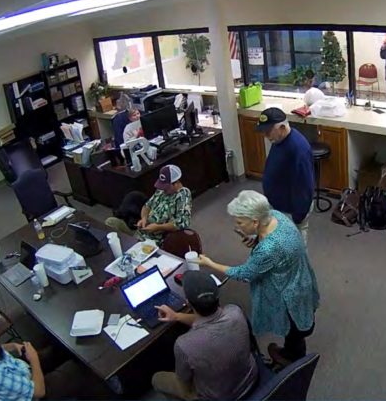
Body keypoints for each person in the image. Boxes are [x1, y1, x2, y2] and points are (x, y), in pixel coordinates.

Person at [198, 190, 320, 366]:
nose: (237, 226)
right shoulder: (276, 216)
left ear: (255, 222)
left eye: (240, 222)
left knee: (294, 330)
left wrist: (210, 263)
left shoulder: (268, 249)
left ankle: (292, 359)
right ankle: (292, 352)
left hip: (289, 294)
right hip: (301, 279)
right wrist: (256, 240)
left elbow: (245, 273)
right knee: (296, 329)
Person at [151, 271, 258, 400]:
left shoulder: (184, 345)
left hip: (221, 397)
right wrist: (176, 316)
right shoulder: (235, 311)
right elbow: (210, 319)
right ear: (217, 296)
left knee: (157, 379)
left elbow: (184, 387)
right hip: (252, 379)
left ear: (188, 304)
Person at [0, 317, 108, 400]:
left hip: (19, 371)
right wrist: (34, 359)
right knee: (77, 369)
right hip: (33, 392)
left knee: (59, 348)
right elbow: (39, 392)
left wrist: (12, 346)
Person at [256, 107, 315, 244]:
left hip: (292, 211)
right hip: (279, 206)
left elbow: (305, 186)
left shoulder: (298, 149)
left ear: (282, 127)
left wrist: (298, 217)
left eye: (268, 131)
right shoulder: (278, 140)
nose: (265, 135)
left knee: (296, 249)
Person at [105, 164, 191, 246]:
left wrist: (159, 227)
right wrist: (144, 219)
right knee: (111, 222)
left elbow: (182, 223)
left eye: (166, 187)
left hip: (152, 241)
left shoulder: (183, 194)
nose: (163, 190)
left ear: (175, 184)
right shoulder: (161, 191)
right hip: (139, 233)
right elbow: (146, 206)